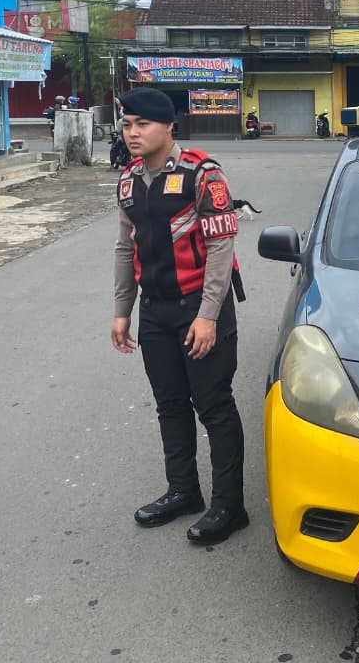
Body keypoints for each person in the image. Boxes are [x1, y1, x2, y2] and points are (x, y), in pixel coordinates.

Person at [110, 87, 249, 546]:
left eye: (143, 124)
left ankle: (229, 506)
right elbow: (125, 246)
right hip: (155, 310)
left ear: (169, 127)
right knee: (169, 404)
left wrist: (208, 316)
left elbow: (220, 247)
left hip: (199, 307)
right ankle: (183, 491)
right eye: (127, 124)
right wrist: (122, 310)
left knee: (214, 406)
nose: (132, 133)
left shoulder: (202, 174)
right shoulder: (129, 180)